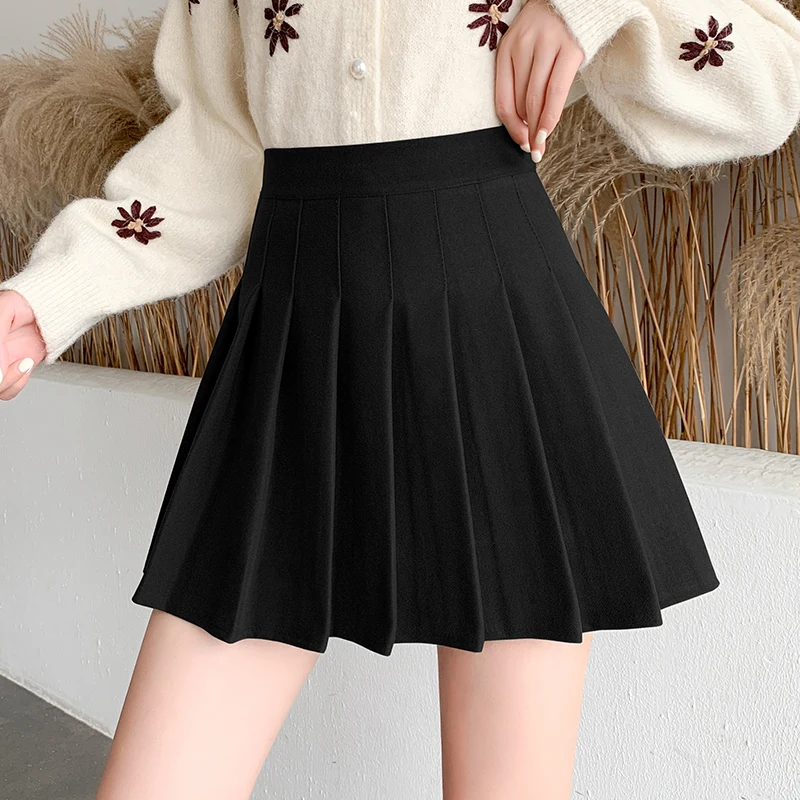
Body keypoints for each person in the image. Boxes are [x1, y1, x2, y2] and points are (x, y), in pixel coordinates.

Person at [1, 0, 799, 797]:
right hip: (291, 360)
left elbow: (766, 89)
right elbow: (211, 160)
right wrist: (47, 300)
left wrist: (583, 7)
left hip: (502, 350)